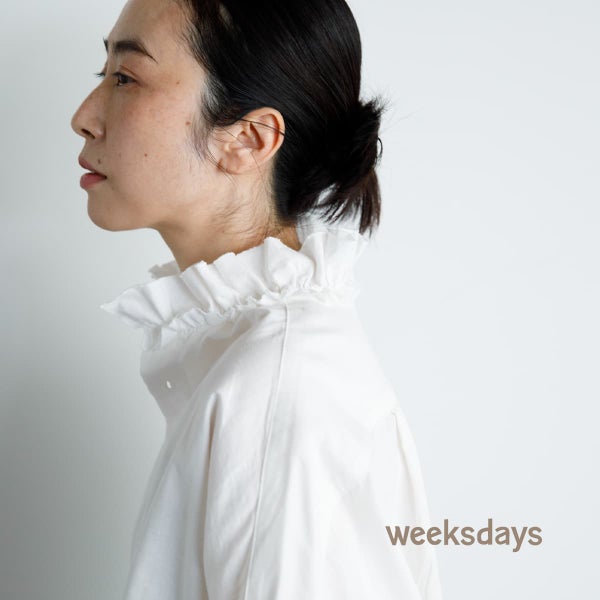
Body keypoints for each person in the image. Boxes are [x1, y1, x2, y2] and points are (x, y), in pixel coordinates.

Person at [71, 0, 443, 598]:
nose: (84, 117)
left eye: (126, 78)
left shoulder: (278, 389)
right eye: (103, 73)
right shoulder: (262, 361)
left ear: (248, 139)